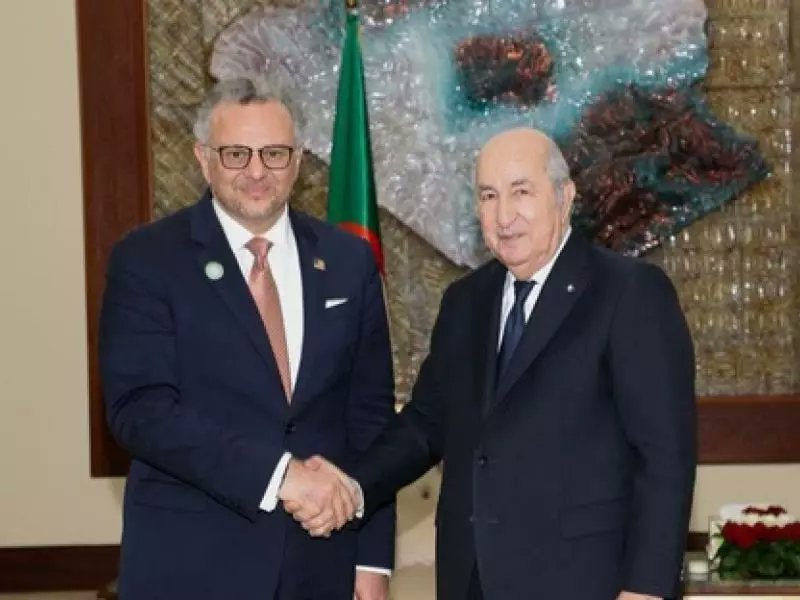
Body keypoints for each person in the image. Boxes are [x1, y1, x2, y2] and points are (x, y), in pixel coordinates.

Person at [296, 127, 697, 599]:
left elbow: (664, 455)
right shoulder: (466, 301)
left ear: (565, 197)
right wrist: (352, 486)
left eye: (521, 192)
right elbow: (424, 427)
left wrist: (647, 588)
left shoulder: (628, 293)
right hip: (471, 579)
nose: (504, 216)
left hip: (583, 582)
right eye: (489, 196)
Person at [99, 77, 395, 600]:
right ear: (203, 158)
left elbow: (369, 420)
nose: (257, 172)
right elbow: (140, 411)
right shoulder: (147, 260)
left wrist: (372, 559)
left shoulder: (348, 261)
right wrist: (279, 476)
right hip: (191, 565)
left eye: (274, 153)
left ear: (298, 160)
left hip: (321, 562)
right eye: (236, 154)